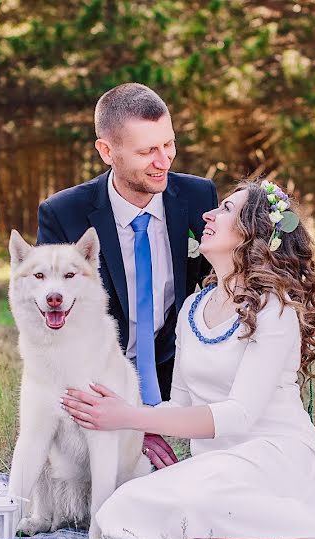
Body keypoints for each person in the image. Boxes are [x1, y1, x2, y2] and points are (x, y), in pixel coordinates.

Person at [60, 179, 315, 539]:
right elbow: (181, 405)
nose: (208, 215)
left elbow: (239, 415)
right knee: (120, 512)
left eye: (226, 210)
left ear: (254, 232)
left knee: (159, 510)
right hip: (218, 468)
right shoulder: (192, 309)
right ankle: (241, 530)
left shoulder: (274, 309)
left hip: (279, 462)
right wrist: (124, 416)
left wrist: (130, 415)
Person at [37, 83, 217, 468]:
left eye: (168, 144)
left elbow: (225, 284)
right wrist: (134, 423)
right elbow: (55, 334)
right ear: (107, 151)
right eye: (146, 151)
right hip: (99, 368)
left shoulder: (200, 198)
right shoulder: (63, 215)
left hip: (179, 368)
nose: (163, 160)